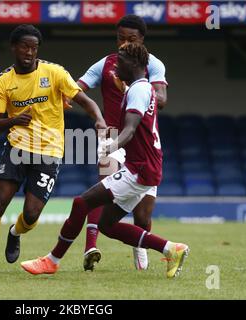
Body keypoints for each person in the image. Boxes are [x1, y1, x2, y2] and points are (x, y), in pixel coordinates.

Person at [20, 42, 189, 279]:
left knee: (81, 203)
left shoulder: (139, 90)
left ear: (133, 64)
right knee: (107, 225)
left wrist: (111, 146)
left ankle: (52, 260)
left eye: (119, 62)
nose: (114, 67)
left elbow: (130, 130)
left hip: (138, 169)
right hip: (144, 167)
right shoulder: (141, 88)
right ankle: (171, 249)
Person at [0, 24, 106, 274]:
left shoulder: (54, 73)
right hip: (17, 148)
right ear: (13, 48)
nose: (29, 52)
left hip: (49, 152)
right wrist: (14, 120)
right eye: (24, 46)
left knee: (30, 215)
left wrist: (98, 119)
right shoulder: (3, 80)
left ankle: (15, 232)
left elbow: (85, 100)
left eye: (34, 47)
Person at [75, 14, 168, 271]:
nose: (124, 43)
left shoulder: (153, 66)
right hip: (114, 137)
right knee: (102, 188)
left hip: (141, 143)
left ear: (142, 41)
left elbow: (161, 98)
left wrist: (138, 88)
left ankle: (140, 245)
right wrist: (96, 115)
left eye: (131, 39)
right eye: (120, 38)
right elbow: (76, 88)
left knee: (142, 216)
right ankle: (90, 247)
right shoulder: (105, 64)